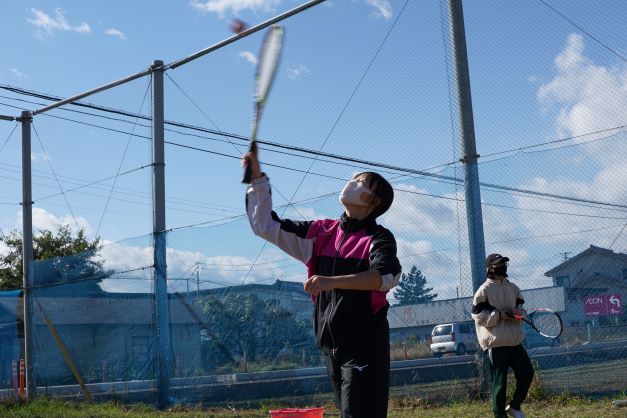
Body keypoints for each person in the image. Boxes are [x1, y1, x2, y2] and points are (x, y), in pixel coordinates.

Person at [243, 149, 402, 418]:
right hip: (330, 345)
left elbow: (384, 277)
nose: (351, 183)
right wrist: (258, 180)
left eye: (361, 182)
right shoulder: (321, 231)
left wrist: (330, 281)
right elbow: (266, 226)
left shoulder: (379, 238)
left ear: (373, 200)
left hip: (364, 343)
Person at [471, 253, 535, 418]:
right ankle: (500, 416)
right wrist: (500, 315)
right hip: (495, 344)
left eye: (504, 264)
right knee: (500, 383)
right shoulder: (484, 290)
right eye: (499, 264)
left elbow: (521, 310)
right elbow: (478, 316)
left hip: (514, 341)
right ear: (490, 268)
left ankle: (514, 406)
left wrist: (517, 314)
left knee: (527, 372)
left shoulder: (513, 288)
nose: (503, 267)